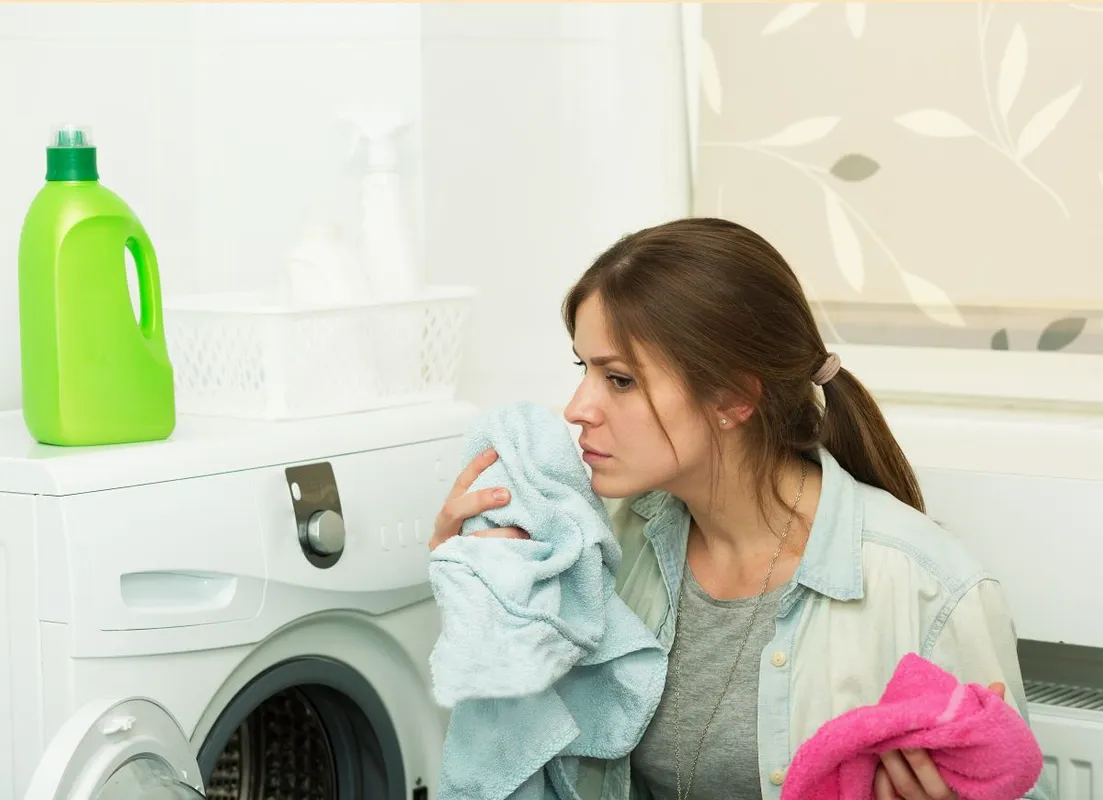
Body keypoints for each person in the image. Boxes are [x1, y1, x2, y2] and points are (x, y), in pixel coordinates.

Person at [429, 217, 1049, 800]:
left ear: (732, 398)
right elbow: (525, 741)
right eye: (583, 368)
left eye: (618, 379)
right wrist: (480, 590)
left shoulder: (925, 587)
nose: (576, 408)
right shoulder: (598, 552)